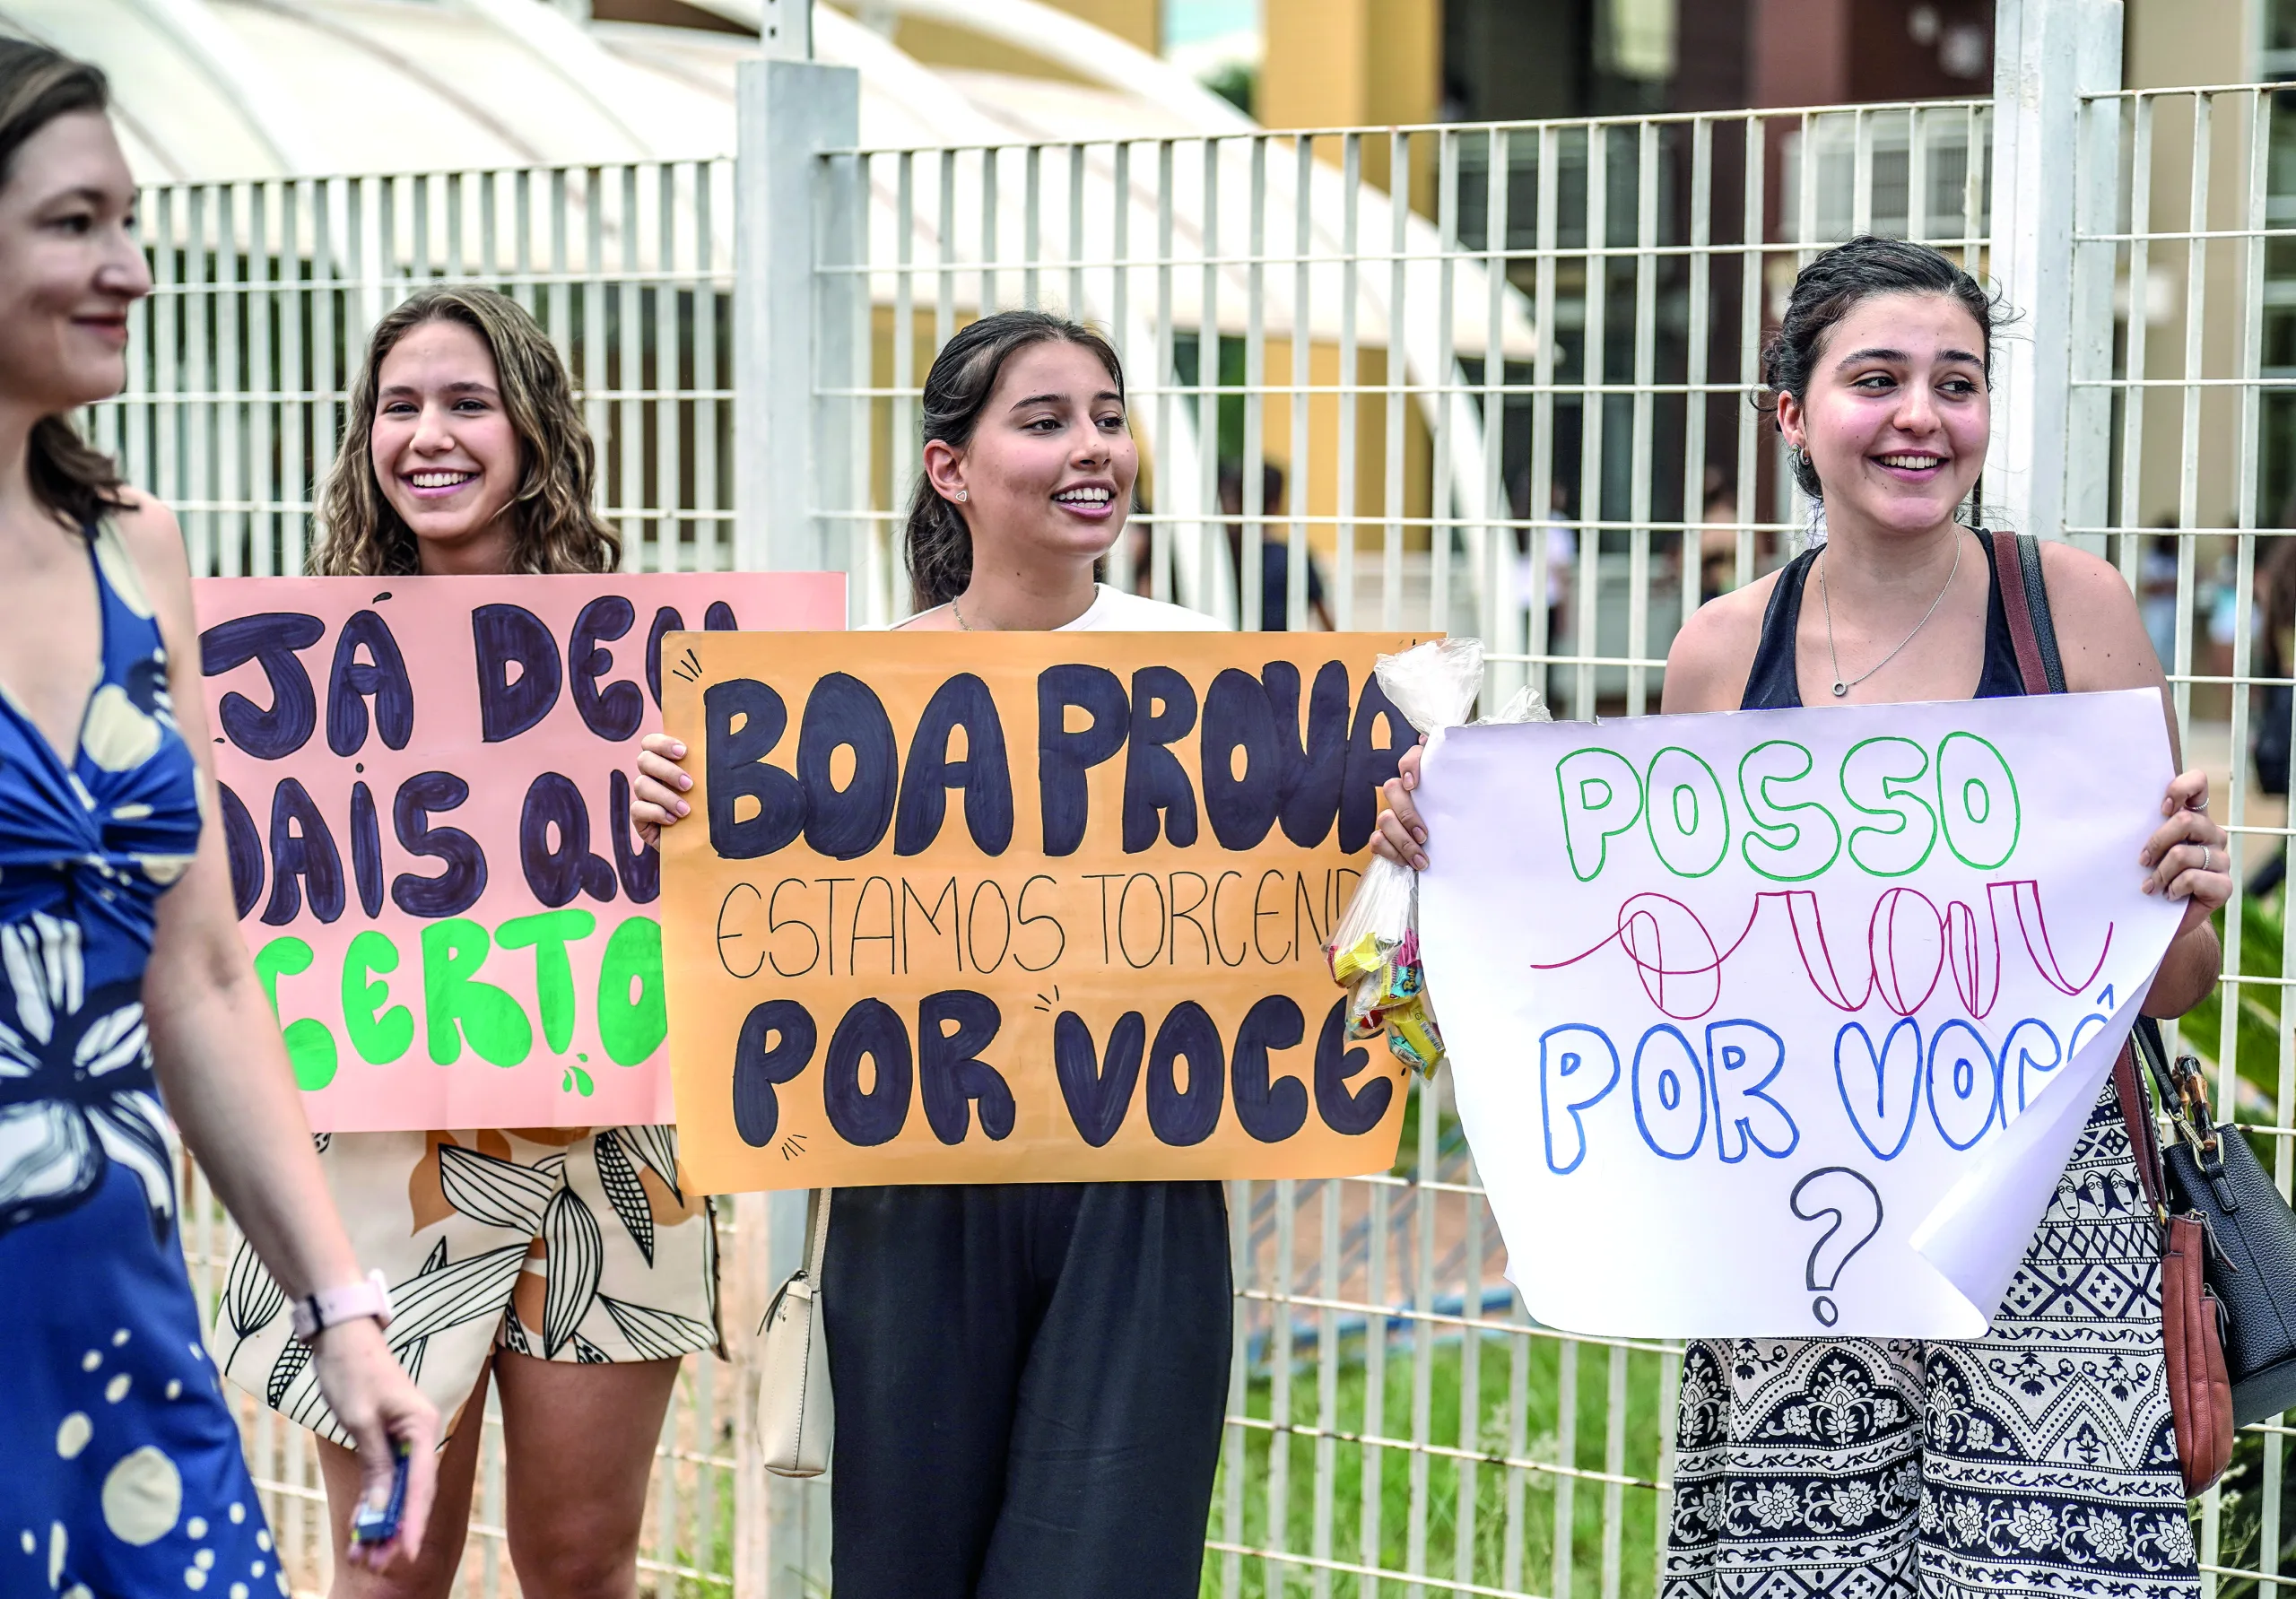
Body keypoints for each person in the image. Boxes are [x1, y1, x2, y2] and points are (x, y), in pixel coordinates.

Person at [1376, 237, 2226, 1593]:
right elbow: (1659, 952)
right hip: (1783, 1221)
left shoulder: (2073, 609)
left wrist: (2187, 885)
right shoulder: (1723, 647)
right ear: (1792, 414)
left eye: (1957, 382)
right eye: (1874, 378)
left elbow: (2171, 979)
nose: (1919, 416)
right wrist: (1460, 838)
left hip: (2042, 1225)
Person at [630, 309, 1232, 1599]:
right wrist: (675, 817)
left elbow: (1320, 931)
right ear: (949, 467)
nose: (1095, 448)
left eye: (1110, 416)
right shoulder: (849, 691)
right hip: (912, 1187)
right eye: (1047, 418)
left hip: (1140, 1191)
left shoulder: (1204, 666)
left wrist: (1399, 832)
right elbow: (747, 940)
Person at [0, 39, 440, 1595]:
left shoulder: (136, 549)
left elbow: (200, 975)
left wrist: (342, 1306)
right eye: (72, 222)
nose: (128, 265)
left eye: (130, 219)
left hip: (116, 1311)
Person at [213, 287, 720, 1599]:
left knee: (578, 1564)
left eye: (466, 401)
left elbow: (738, 900)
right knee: (389, 1569)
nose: (428, 434)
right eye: (399, 405)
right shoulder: (295, 672)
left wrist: (697, 811)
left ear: (534, 428)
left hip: (605, 1156)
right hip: (381, 1154)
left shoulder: (648, 662)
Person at [1221, 460, 1333, 630]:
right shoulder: (1292, 557)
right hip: (1281, 653)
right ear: (1275, 504)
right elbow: (1325, 619)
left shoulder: (1220, 555)